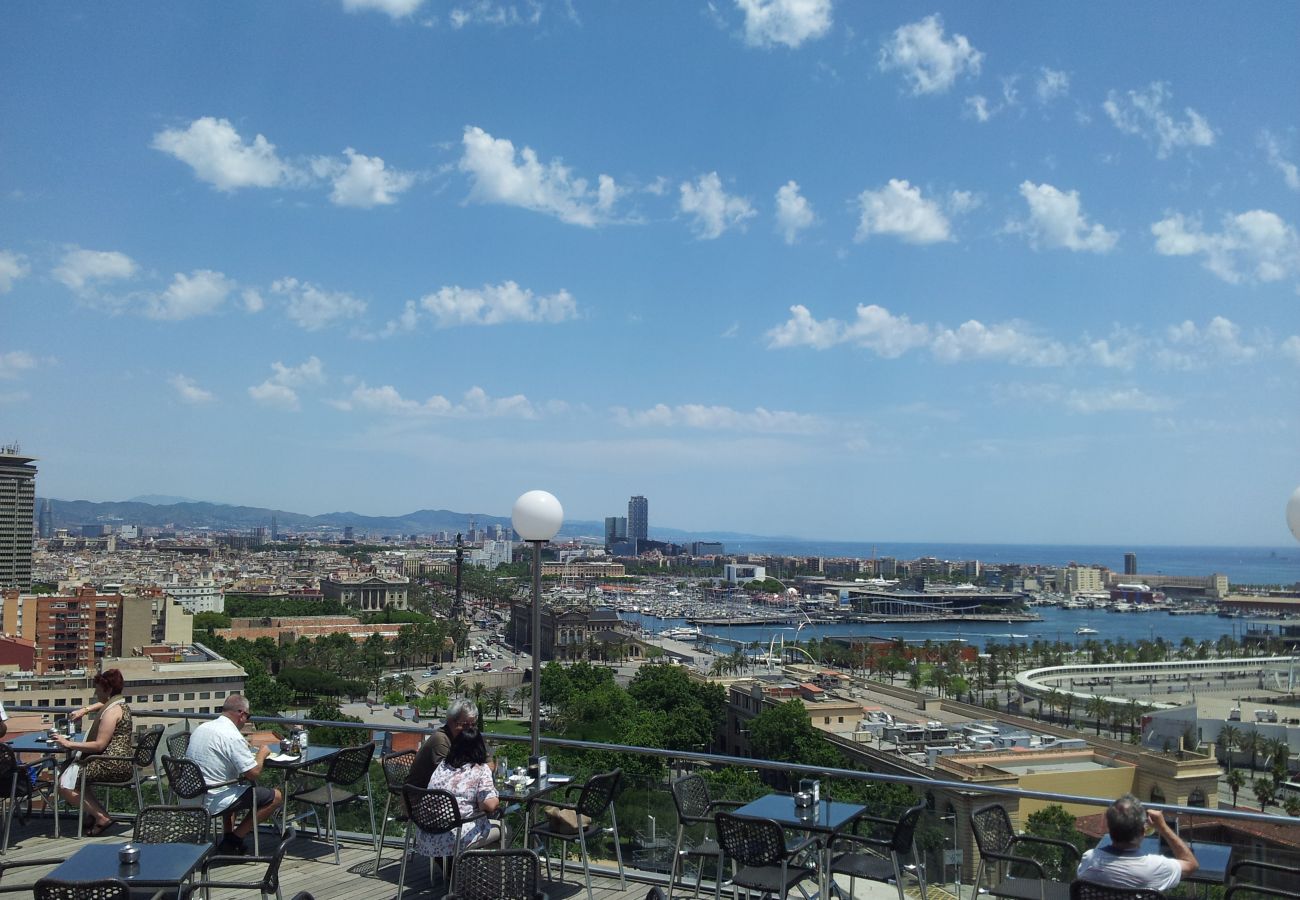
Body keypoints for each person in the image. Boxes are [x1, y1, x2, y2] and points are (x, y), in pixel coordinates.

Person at [187, 694, 283, 854]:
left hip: (190, 796)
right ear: (241, 714)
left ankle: (228, 834)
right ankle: (234, 840)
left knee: (235, 784)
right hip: (212, 799)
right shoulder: (232, 736)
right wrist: (262, 754)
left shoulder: (202, 728)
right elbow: (253, 773)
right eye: (248, 716)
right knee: (276, 796)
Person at [53, 668, 132, 835]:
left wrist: (69, 744)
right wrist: (85, 710)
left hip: (111, 764)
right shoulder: (119, 704)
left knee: (64, 783)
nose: (96, 693)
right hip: (121, 761)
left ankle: (101, 816)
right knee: (75, 774)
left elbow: (99, 745)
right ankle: (93, 814)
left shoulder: (111, 713)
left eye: (98, 690)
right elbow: (104, 703)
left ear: (108, 689)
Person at [416, 719, 501, 859]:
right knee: (503, 829)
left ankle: (465, 871)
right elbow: (489, 804)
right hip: (455, 837)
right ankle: (486, 877)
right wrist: (496, 796)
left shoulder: (443, 765)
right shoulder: (480, 769)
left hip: (427, 835)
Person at [1076, 794, 1197, 891]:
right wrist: (1163, 827)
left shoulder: (1090, 859)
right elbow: (1191, 864)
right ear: (1142, 831)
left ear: (1110, 828)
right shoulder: (1155, 867)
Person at [406, 699, 488, 789]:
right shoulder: (441, 741)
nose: (470, 729)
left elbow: (488, 760)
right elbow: (448, 777)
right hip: (421, 796)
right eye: (465, 725)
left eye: (473, 725)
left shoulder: (466, 738)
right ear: (451, 721)